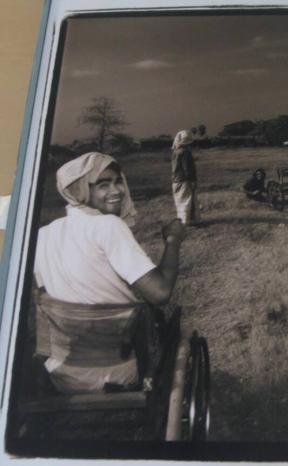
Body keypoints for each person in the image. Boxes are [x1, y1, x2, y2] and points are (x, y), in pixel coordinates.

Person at [34, 152, 187, 393]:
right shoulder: (108, 226)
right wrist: (173, 240)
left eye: (118, 181)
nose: (117, 191)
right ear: (80, 190)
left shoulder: (44, 235)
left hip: (62, 374)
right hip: (119, 374)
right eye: (103, 185)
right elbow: (160, 293)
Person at [171, 130, 199, 225]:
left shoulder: (175, 151)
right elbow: (187, 168)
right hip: (184, 180)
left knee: (180, 201)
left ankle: (183, 220)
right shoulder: (185, 152)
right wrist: (192, 180)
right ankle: (186, 221)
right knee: (186, 201)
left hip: (176, 180)